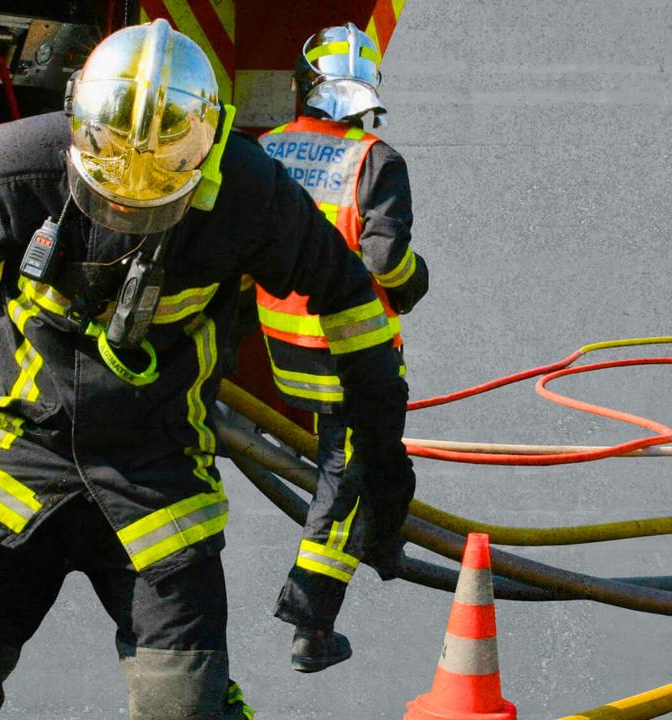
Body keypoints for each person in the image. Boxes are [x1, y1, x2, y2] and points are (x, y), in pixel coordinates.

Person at [0, 20, 414, 720]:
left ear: (201, 152)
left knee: (182, 709)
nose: (127, 200)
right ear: (80, 128)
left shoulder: (249, 193)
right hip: (12, 470)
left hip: (158, 483)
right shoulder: (19, 162)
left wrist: (379, 449)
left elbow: (349, 298)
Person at [253, 22, 428, 673]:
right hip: (354, 359)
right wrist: (417, 281)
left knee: (385, 467)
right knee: (345, 481)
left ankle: (384, 550)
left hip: (283, 351)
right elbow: (386, 263)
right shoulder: (375, 160)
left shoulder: (267, 150)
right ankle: (310, 623)